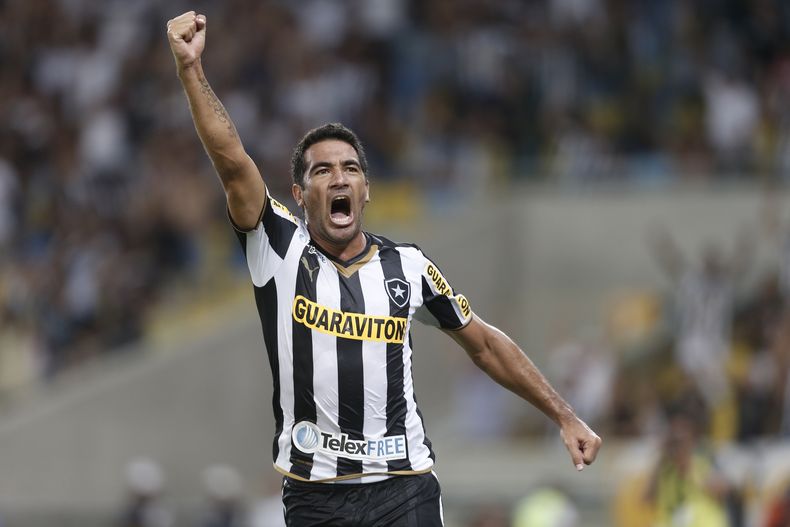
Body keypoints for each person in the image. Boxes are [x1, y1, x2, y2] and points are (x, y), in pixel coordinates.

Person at [166, 11, 602, 526]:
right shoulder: (278, 248)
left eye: (351, 169)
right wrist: (192, 70)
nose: (339, 178)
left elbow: (482, 343)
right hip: (315, 494)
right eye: (322, 170)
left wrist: (563, 414)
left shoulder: (408, 266)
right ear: (300, 195)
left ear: (366, 191)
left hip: (404, 488)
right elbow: (233, 161)